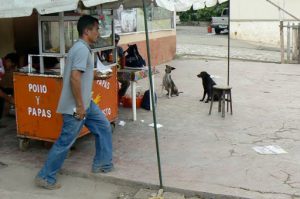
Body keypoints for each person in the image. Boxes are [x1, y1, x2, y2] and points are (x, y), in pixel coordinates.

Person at [35, 15, 113, 190]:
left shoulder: (83, 48)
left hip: (86, 103)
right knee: (65, 142)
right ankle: (45, 177)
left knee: (104, 127)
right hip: (76, 107)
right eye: (96, 29)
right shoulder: (81, 50)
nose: (98, 33)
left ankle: (102, 164)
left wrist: (98, 75)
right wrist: (79, 106)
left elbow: (81, 74)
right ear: (87, 31)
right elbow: (75, 78)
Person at [0, 53, 18, 126]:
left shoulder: (4, 69)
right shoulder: (1, 69)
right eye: (12, 65)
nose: (5, 63)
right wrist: (9, 99)